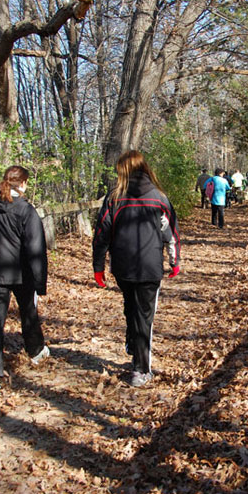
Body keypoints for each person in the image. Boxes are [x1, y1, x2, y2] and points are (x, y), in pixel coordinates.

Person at [92, 150, 181, 388]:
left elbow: (101, 234)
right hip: (150, 266)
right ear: (144, 168)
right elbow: (170, 233)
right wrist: (175, 261)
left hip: (122, 266)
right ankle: (141, 369)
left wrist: (98, 267)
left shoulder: (114, 198)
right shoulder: (159, 197)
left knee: (131, 307)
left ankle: (133, 343)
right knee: (144, 317)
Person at [0, 166, 49, 392]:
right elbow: (36, 249)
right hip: (22, 273)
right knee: (28, 312)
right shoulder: (26, 210)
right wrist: (40, 281)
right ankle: (35, 351)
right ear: (22, 184)